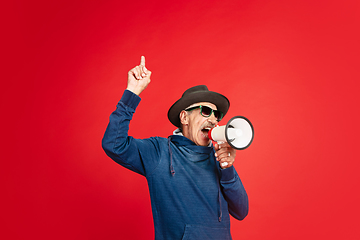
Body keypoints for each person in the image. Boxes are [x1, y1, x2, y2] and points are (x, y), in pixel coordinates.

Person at [102, 56, 249, 240]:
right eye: (205, 111)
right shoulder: (159, 152)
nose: (213, 119)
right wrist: (132, 92)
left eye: (216, 114)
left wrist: (227, 169)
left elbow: (241, 211)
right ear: (184, 118)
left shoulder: (219, 159)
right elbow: (113, 144)